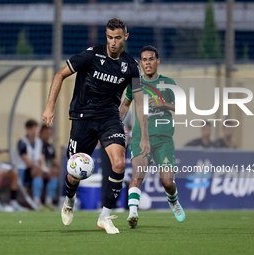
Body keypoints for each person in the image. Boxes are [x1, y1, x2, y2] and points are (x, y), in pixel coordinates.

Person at [43, 18, 150, 234]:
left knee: (119, 163)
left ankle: (104, 217)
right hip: (82, 118)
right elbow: (59, 75)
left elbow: (139, 101)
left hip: (110, 118)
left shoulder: (131, 66)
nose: (113, 42)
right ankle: (70, 199)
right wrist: (49, 107)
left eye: (117, 38)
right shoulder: (91, 55)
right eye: (110, 37)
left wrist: (144, 136)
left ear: (125, 38)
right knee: (74, 174)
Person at [119, 45, 185, 229]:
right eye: (144, 60)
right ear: (140, 63)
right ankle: (133, 214)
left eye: (151, 59)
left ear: (157, 61)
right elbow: (125, 105)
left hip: (163, 140)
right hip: (142, 138)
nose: (148, 63)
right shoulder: (136, 83)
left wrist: (162, 103)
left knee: (167, 182)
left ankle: (173, 201)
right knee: (137, 176)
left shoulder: (168, 82)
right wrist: (117, 123)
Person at [16, 119, 50, 210]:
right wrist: (40, 168)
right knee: (38, 171)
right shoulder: (22, 142)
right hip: (24, 170)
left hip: (36, 169)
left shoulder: (39, 142)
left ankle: (49, 201)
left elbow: (41, 158)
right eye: (32, 130)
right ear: (27, 130)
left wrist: (45, 168)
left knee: (52, 173)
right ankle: (36, 200)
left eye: (36, 129)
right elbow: (28, 162)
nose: (34, 132)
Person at [39, 124, 59, 210]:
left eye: (49, 134)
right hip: (38, 168)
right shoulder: (38, 144)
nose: (48, 136)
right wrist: (47, 169)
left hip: (47, 169)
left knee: (56, 172)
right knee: (40, 172)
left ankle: (48, 201)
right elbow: (40, 159)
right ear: (41, 133)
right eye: (46, 133)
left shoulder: (50, 147)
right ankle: (37, 202)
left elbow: (54, 161)